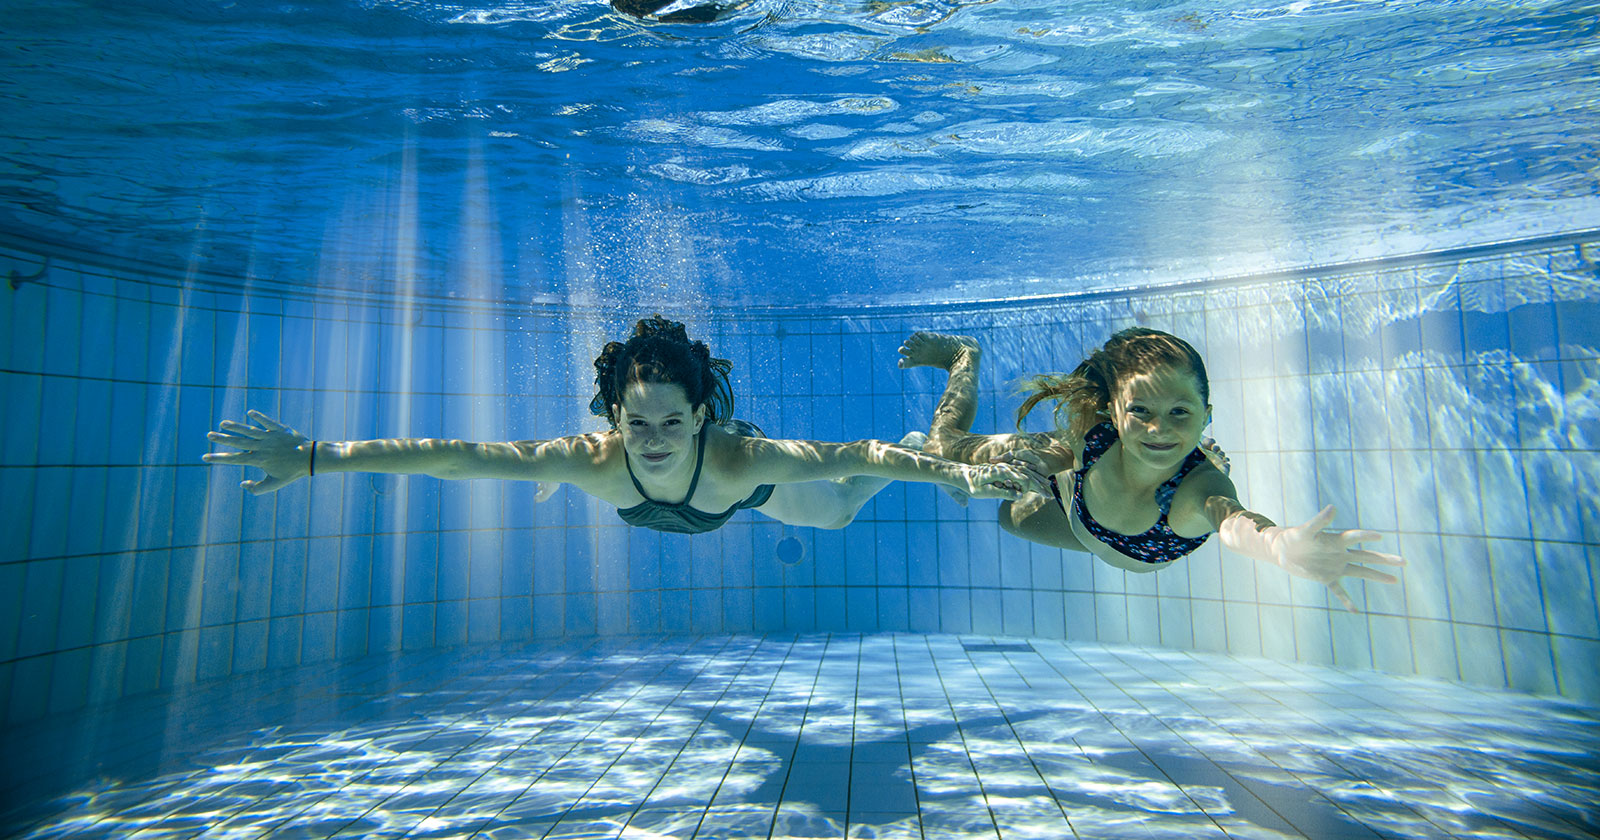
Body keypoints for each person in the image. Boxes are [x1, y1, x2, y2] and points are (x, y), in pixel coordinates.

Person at [204, 316, 1031, 535]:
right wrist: (316, 456)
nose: (659, 439)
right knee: (543, 464)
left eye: (675, 420)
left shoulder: (738, 460)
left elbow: (853, 451)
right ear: (610, 417)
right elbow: (455, 458)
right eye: (639, 424)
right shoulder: (596, 459)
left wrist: (953, 475)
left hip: (751, 494)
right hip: (656, 479)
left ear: (702, 414)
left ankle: (963, 359)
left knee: (857, 493)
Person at [898, 329, 1403, 612]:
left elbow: (1232, 521)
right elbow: (1072, 444)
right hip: (1084, 496)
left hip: (1130, 537)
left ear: (1208, 414)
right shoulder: (1092, 435)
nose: (1159, 429)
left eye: (1180, 413)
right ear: (1114, 411)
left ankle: (999, 486)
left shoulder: (1195, 492)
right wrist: (1031, 462)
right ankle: (965, 355)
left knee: (1010, 516)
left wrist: (1278, 545)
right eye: (1141, 411)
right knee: (947, 450)